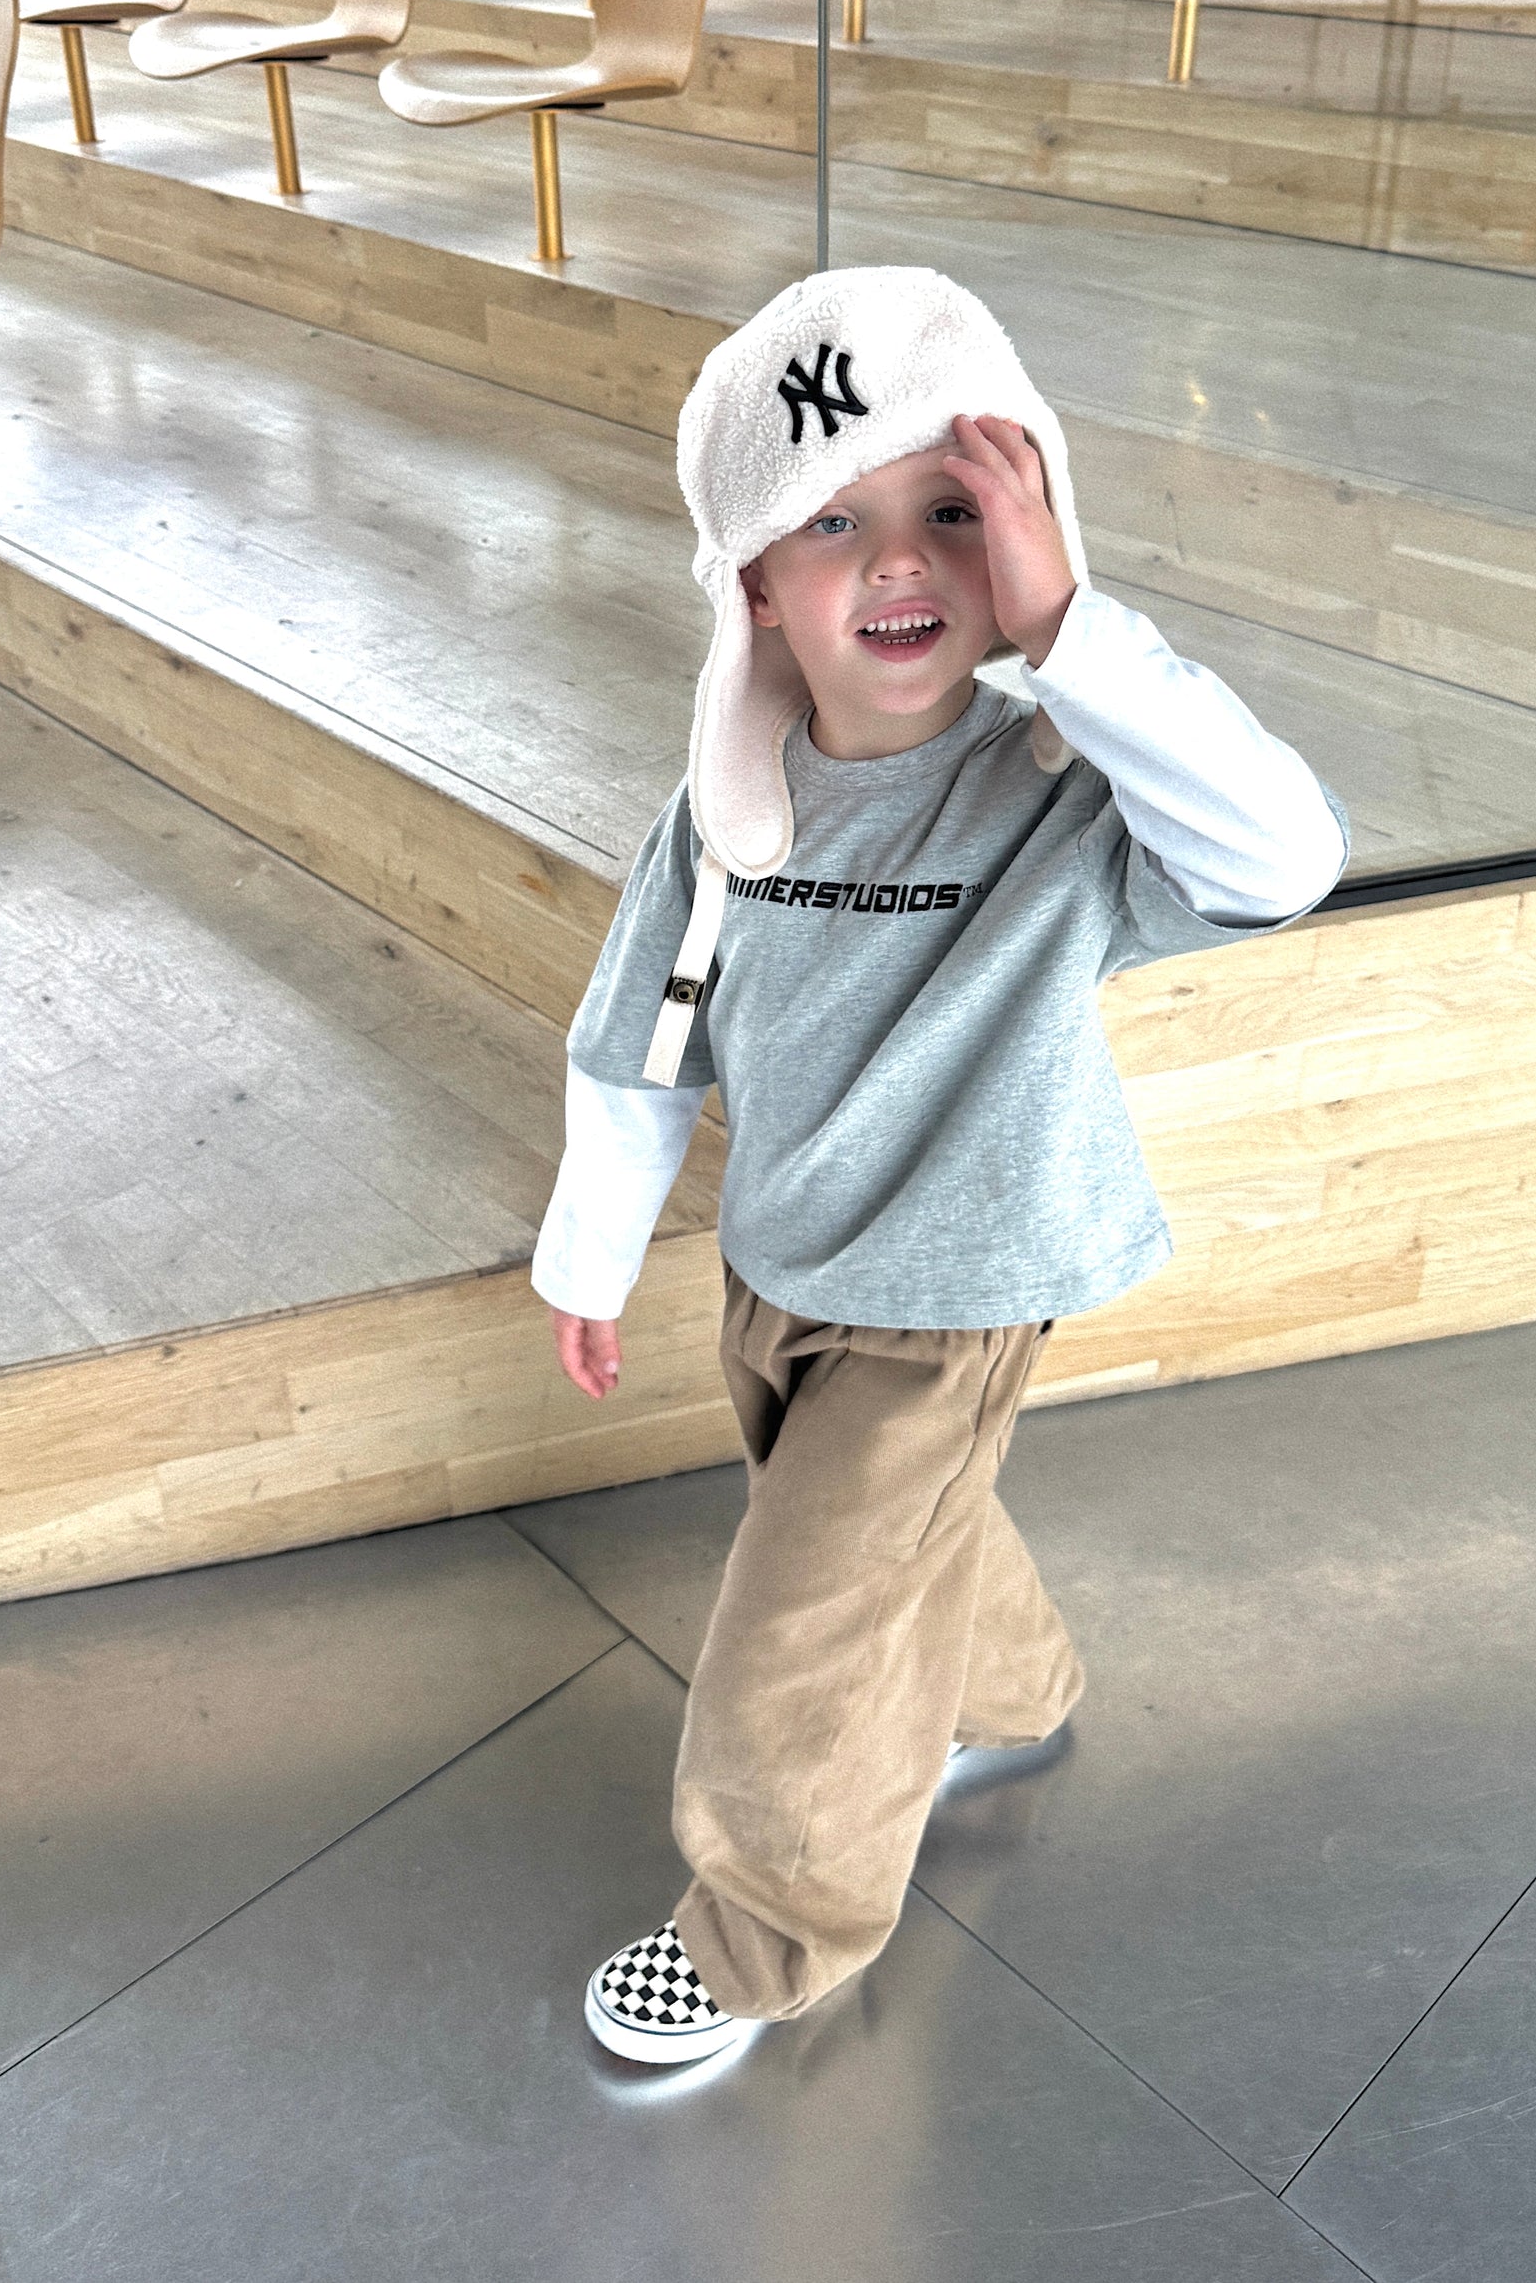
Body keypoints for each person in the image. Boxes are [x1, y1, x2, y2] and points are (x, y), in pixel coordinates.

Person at [531, 266, 1349, 2066]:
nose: (898, 559)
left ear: (1023, 536)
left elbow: (1281, 856)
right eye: (832, 521)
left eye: (951, 511)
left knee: (803, 1624)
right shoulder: (723, 817)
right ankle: (1011, 1684)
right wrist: (590, 1252)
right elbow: (638, 1043)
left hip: (960, 1286)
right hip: (784, 1261)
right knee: (888, 1532)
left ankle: (768, 1929)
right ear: (754, 583)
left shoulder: (1069, 794)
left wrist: (1075, 635)